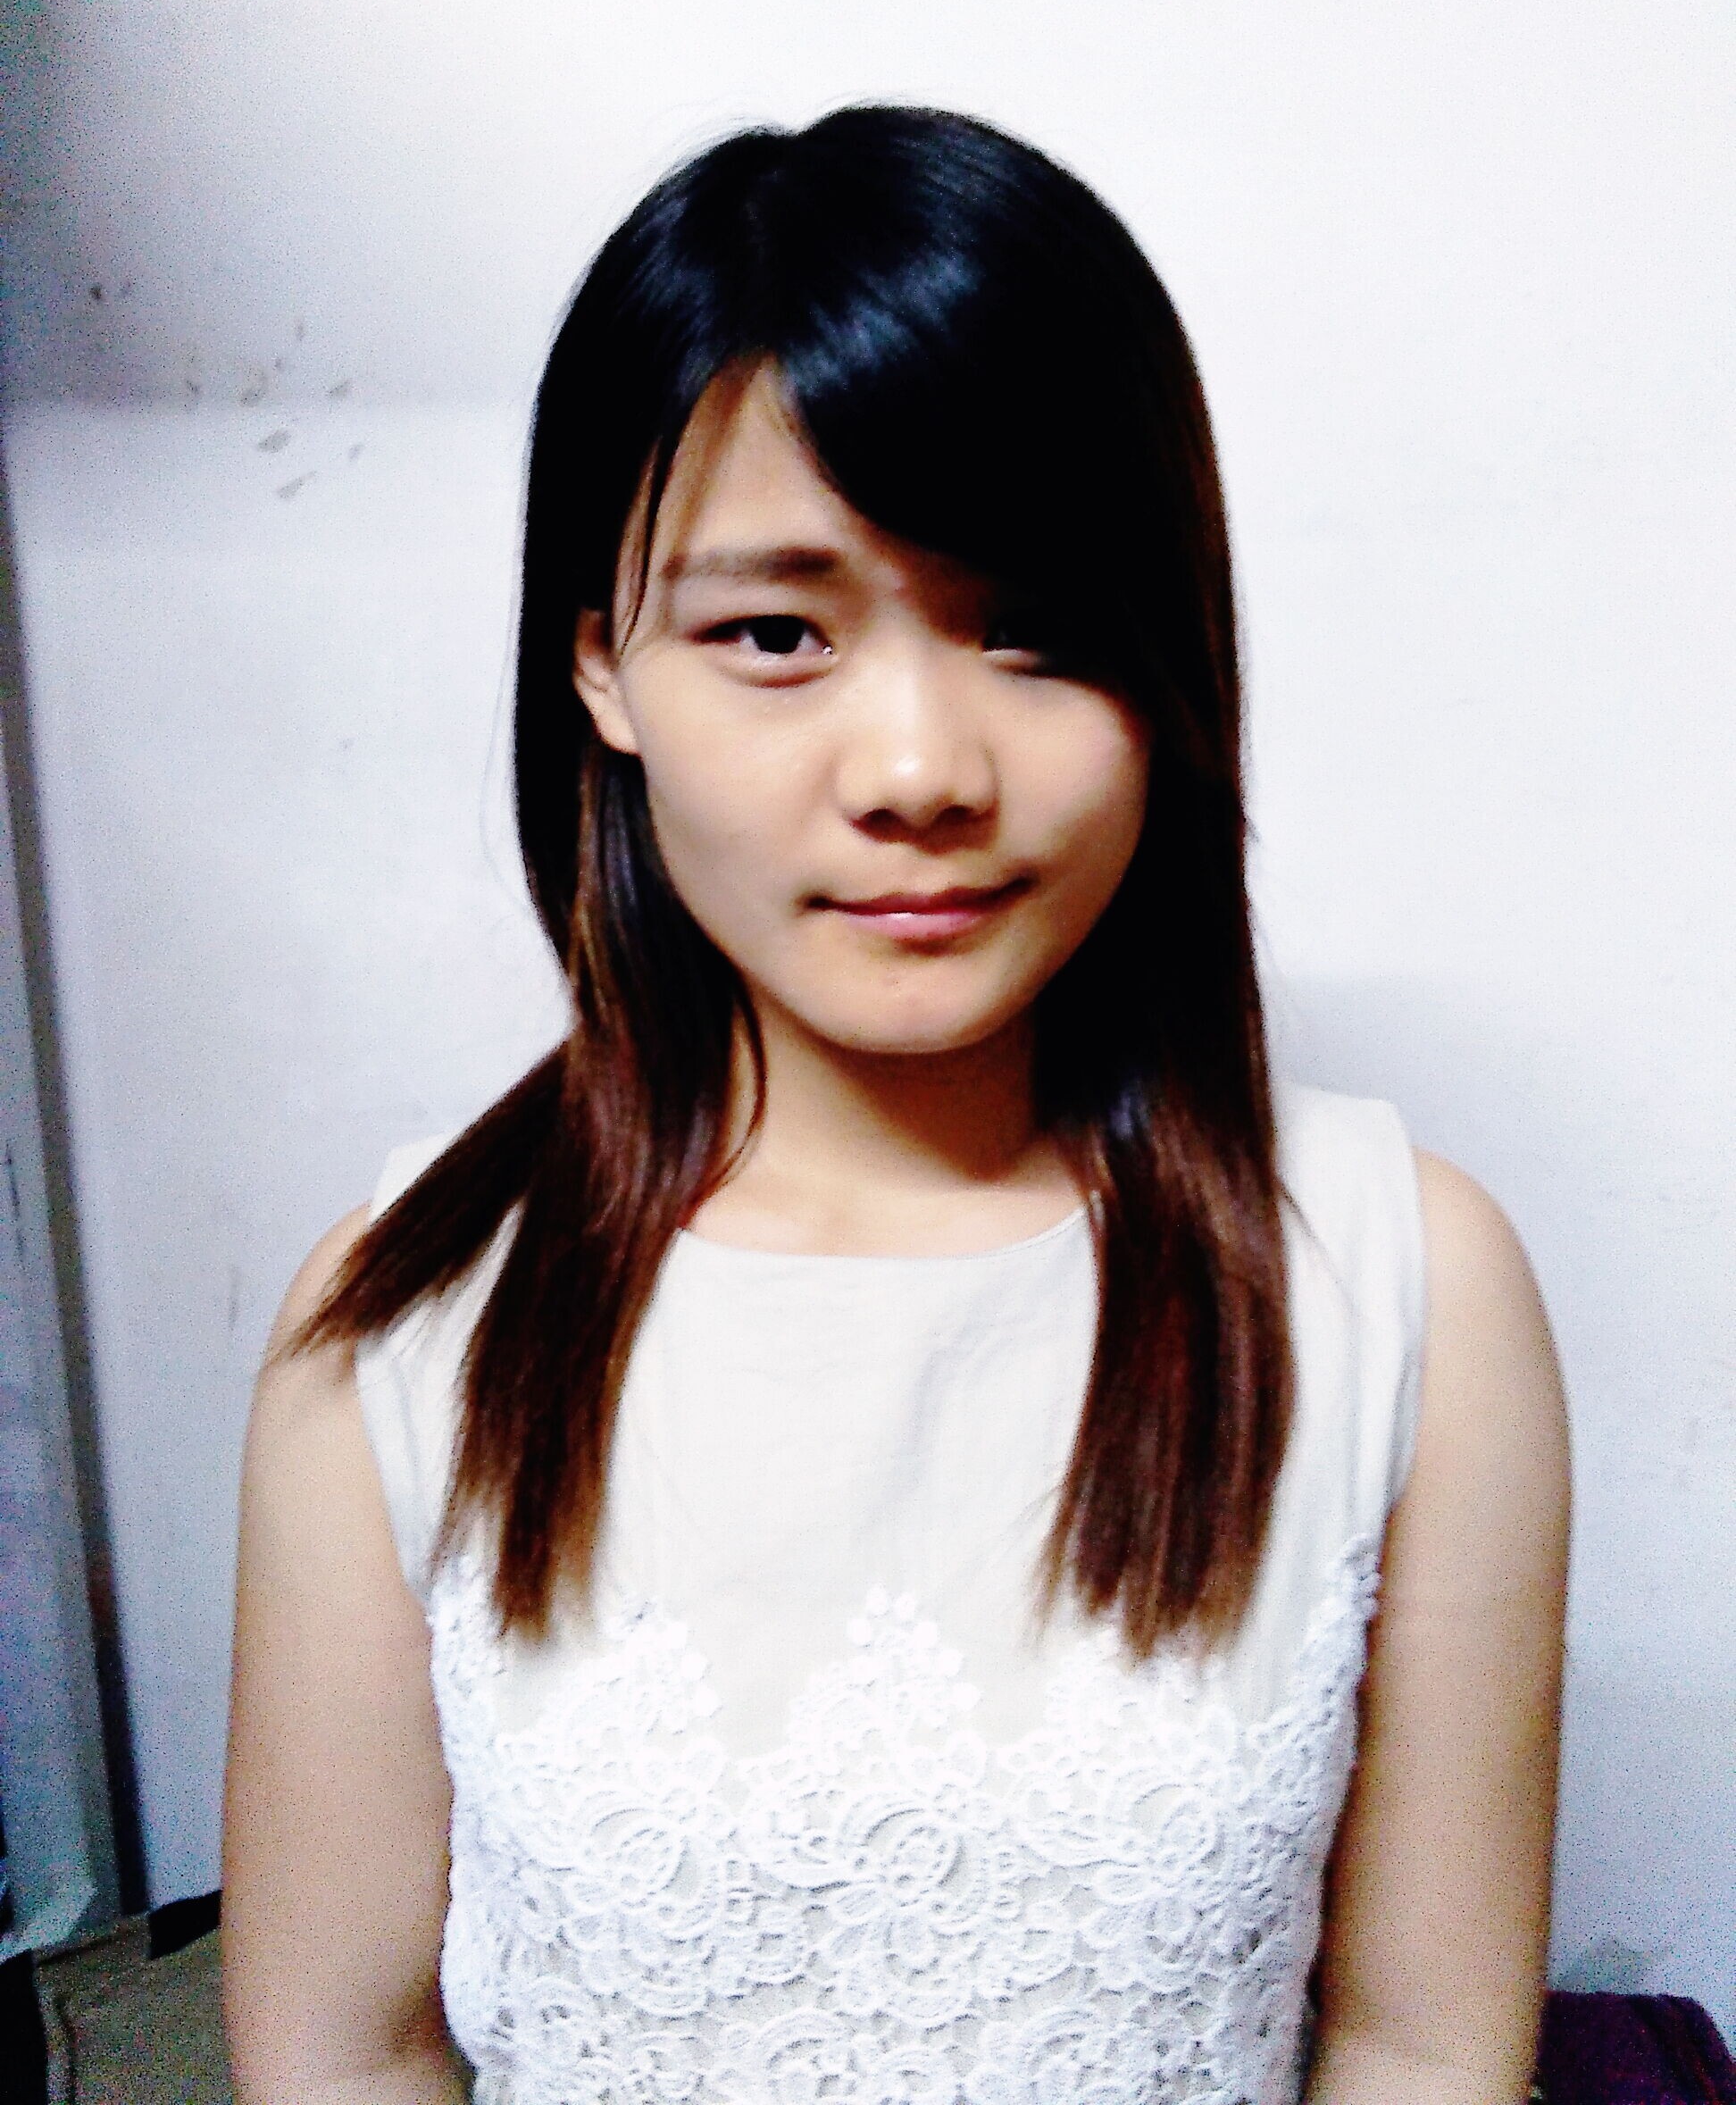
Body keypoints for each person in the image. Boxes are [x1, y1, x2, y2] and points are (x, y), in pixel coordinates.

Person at [221, 105, 1570, 2105]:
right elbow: (347, 2057)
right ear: (603, 670)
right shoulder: (409, 1326)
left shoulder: (1402, 1284)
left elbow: (1424, 2048)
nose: (923, 767)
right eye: (776, 635)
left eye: (1036, 628)